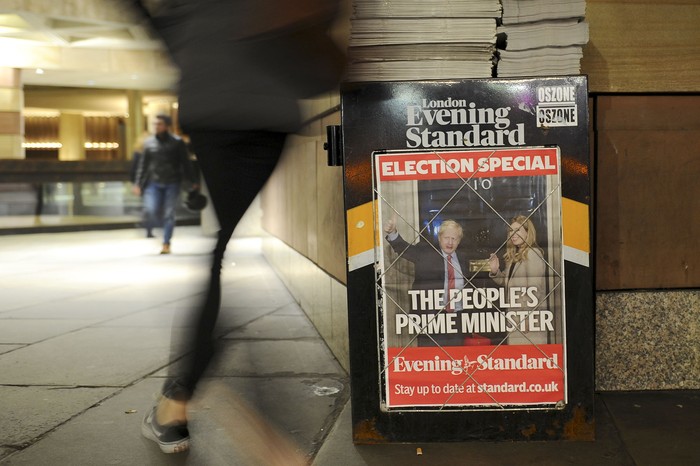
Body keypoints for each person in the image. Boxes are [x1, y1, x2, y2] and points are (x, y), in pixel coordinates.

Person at [126, 0, 346, 454]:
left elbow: (157, 21)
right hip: (269, 109)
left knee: (217, 255)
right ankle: (180, 399)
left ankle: (178, 404)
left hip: (217, 105)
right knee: (220, 247)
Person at [384, 218, 471, 347]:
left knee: (456, 359)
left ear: (459, 241)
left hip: (457, 320)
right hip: (432, 318)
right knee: (431, 359)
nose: (450, 242)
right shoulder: (426, 252)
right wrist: (392, 232)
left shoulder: (463, 258)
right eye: (447, 238)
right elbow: (404, 249)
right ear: (440, 237)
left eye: (454, 239)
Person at [132, 115, 198, 253]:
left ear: (167, 126)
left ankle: (166, 243)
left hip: (172, 182)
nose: (156, 126)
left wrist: (193, 181)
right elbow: (143, 165)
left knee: (169, 213)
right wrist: (138, 183)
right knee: (150, 209)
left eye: (160, 124)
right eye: (155, 124)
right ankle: (156, 228)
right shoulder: (149, 143)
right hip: (153, 183)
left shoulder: (177, 142)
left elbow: (186, 164)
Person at [488, 215, 548, 345]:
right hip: (516, 318)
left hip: (527, 320)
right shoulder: (516, 255)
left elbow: (535, 290)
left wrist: (527, 318)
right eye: (511, 231)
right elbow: (507, 282)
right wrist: (495, 271)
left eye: (517, 230)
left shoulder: (533, 254)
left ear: (528, 232)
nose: (513, 234)